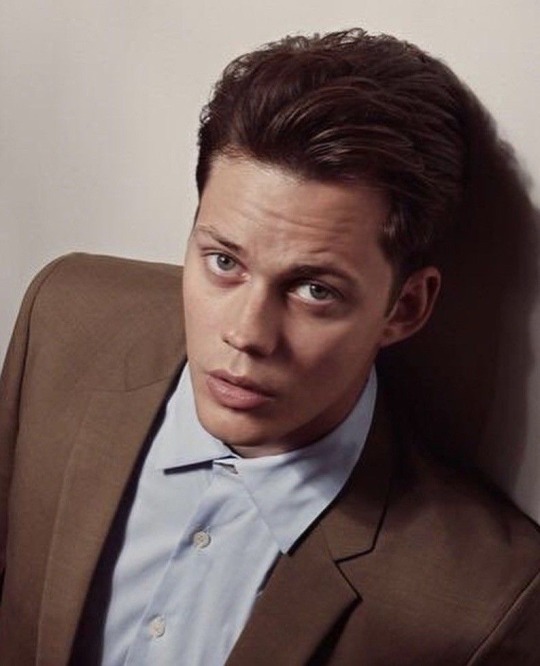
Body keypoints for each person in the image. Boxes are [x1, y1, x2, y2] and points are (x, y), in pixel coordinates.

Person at [1, 28, 540, 666]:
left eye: (315, 290)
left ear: (405, 308)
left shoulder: (484, 604)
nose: (247, 334)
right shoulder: (64, 318)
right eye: (224, 261)